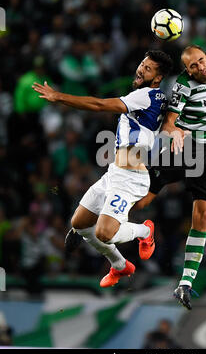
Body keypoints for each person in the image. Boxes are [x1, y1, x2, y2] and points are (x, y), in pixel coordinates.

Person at [32, 50, 173, 287]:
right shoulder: (150, 97)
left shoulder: (146, 96)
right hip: (115, 173)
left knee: (103, 233)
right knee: (79, 224)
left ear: (158, 78)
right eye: (141, 63)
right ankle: (119, 265)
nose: (140, 69)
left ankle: (144, 232)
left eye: (148, 69)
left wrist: (59, 97)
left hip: (131, 178)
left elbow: (98, 105)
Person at [135, 45, 206, 309]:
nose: (199, 68)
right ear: (187, 70)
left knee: (203, 215)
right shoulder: (184, 85)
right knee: (143, 199)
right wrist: (172, 131)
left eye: (201, 61)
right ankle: (113, 222)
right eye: (192, 66)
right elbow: (171, 118)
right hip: (185, 147)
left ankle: (185, 283)